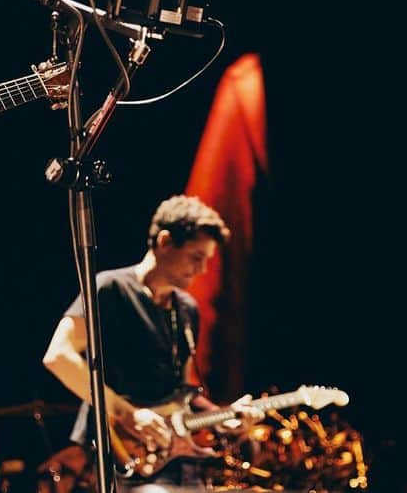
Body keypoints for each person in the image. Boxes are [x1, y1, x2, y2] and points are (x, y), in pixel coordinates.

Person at [42, 194, 259, 492]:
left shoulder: (186, 309)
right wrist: (128, 414)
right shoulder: (111, 288)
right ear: (165, 242)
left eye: (207, 260)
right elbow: (58, 355)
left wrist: (222, 416)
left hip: (176, 457)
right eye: (196, 257)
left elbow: (180, 393)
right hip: (124, 458)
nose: (202, 269)